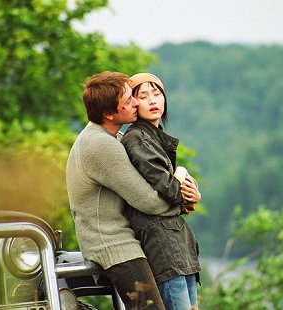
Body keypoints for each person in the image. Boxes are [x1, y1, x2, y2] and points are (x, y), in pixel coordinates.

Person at [66, 71, 192, 309]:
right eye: (128, 101)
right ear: (109, 113)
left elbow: (159, 181)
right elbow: (150, 202)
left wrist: (186, 186)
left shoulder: (110, 136)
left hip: (122, 241)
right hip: (114, 246)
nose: (136, 102)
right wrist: (182, 196)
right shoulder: (101, 145)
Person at [121, 72, 202, 310]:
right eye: (143, 96)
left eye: (157, 94)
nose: (153, 101)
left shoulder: (154, 137)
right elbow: (169, 188)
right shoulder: (137, 139)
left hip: (178, 245)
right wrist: (183, 173)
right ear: (133, 103)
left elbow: (176, 190)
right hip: (162, 245)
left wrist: (193, 193)